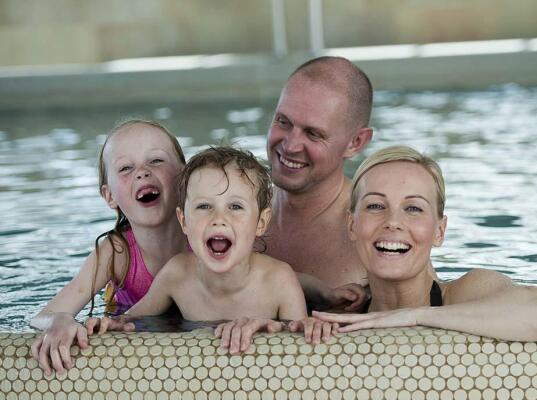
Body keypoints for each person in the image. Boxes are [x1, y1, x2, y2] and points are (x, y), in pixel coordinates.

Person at [86, 147, 337, 354]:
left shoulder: (278, 281)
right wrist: (105, 325)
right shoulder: (177, 275)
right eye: (204, 206)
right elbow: (130, 321)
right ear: (184, 221)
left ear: (261, 222)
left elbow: (303, 344)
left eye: (235, 207)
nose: (219, 218)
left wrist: (272, 328)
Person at [314, 146, 537, 341]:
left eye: (413, 208)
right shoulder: (340, 319)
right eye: (376, 206)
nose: (393, 222)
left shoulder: (465, 294)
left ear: (439, 231)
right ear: (351, 225)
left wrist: (414, 316)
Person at [30, 120, 189, 375]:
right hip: (127, 336)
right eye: (126, 168)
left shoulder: (208, 242)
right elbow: (42, 316)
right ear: (109, 195)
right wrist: (60, 320)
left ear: (184, 176)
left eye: (156, 161)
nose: (142, 172)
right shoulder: (117, 253)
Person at [264, 56, 374, 310]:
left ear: (355, 142)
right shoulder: (230, 209)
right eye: (283, 122)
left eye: (313, 134)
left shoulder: (375, 231)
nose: (290, 145)